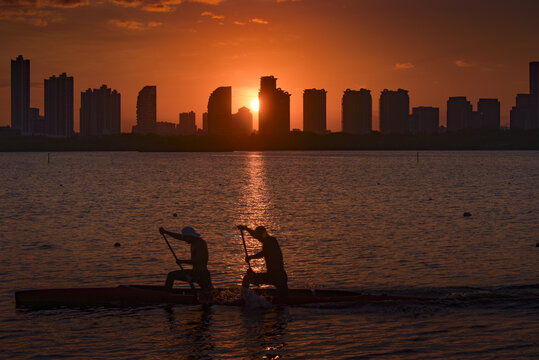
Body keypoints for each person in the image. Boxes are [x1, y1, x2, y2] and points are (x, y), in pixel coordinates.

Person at [238, 225, 288, 295]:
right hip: (279, 276)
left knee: (247, 278)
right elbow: (264, 253)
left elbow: (263, 251)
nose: (258, 239)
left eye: (259, 237)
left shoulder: (270, 241)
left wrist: (246, 229)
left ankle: (243, 298)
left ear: (263, 234)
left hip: (276, 277)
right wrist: (251, 258)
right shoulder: (271, 242)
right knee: (284, 295)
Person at [159, 226, 213, 290]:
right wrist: (165, 232)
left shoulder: (200, 244)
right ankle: (167, 294)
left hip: (201, 275)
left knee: (211, 293)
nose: (184, 240)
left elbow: (198, 261)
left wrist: (182, 261)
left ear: (190, 236)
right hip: (195, 272)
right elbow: (178, 236)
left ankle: (166, 295)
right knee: (171, 275)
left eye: (185, 237)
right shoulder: (192, 241)